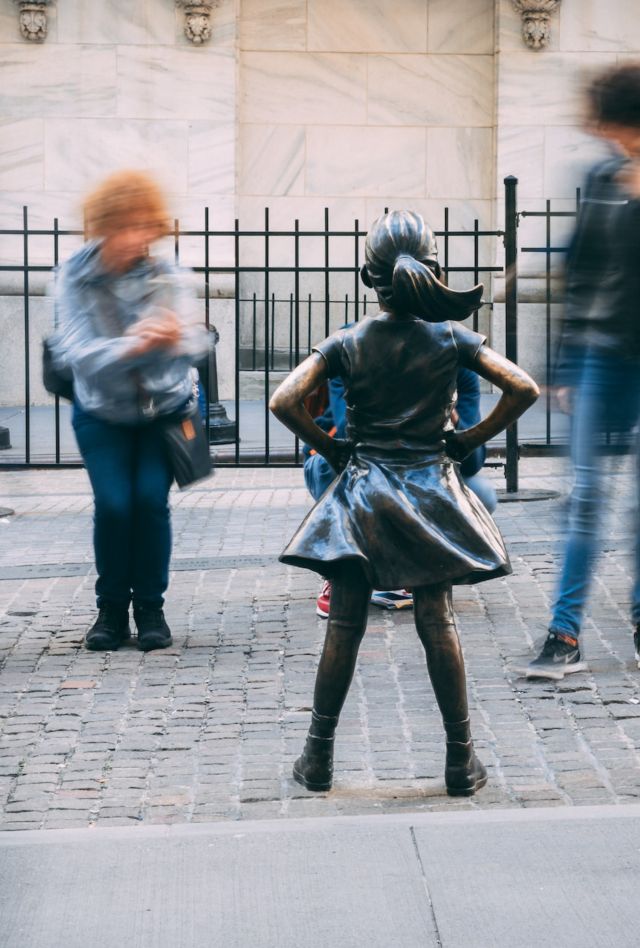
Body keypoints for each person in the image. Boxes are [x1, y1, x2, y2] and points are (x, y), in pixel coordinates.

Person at [270, 210, 538, 796]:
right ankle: (459, 761)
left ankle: (317, 757)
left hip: (362, 493)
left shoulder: (347, 341)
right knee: (436, 621)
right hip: (428, 492)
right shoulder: (450, 338)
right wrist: (468, 438)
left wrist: (334, 449)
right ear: (432, 268)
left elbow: (285, 399)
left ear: (370, 278)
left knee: (344, 624)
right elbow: (523, 388)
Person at [52, 170, 209, 652]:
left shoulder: (168, 274)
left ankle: (151, 609)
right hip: (102, 411)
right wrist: (135, 345)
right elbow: (74, 353)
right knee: (115, 504)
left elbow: (199, 342)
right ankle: (111, 609)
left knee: (149, 503)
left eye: (147, 226)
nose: (139, 237)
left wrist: (175, 337)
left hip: (165, 409)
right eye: (128, 225)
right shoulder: (75, 277)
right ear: (105, 225)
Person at [525, 63, 640, 680]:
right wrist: (565, 364)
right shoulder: (600, 175)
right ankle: (563, 634)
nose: (599, 132)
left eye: (609, 121)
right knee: (588, 497)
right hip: (599, 356)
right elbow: (580, 270)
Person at [304, 363, 497, 618]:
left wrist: (450, 415)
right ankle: (341, 566)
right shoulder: (354, 349)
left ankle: (410, 566)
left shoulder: (458, 365)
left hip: (420, 467)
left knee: (481, 495)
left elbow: (472, 462)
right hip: (360, 459)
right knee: (333, 468)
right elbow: (347, 437)